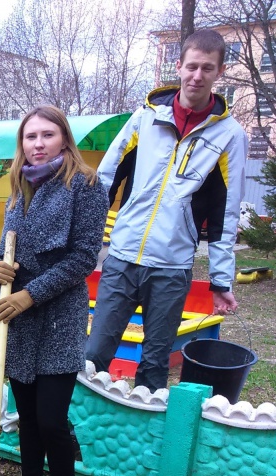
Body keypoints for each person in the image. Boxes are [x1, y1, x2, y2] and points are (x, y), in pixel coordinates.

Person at [85, 28, 248, 392]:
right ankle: (75, 429)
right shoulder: (145, 118)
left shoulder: (229, 136)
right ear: (178, 66)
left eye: (207, 68)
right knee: (94, 353)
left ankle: (148, 441)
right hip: (123, 258)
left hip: (172, 269)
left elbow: (226, 214)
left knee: (156, 362)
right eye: (191, 66)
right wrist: (86, 241)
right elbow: (105, 179)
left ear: (219, 72)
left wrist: (221, 280)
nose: (197, 76)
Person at [0, 105, 107, 476]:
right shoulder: (19, 188)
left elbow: (81, 258)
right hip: (19, 319)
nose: (37, 144)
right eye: (30, 137)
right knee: (27, 417)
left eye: (47, 135)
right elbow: (6, 249)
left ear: (64, 139)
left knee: (52, 419)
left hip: (58, 315)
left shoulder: (87, 186)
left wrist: (30, 294)